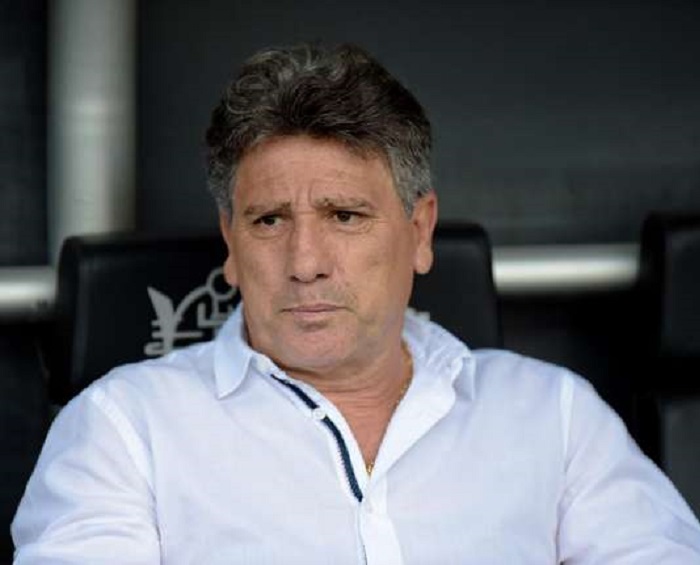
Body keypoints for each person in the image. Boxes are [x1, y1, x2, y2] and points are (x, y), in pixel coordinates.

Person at [11, 43, 700, 564]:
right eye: (269, 220)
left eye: (345, 216)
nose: (305, 263)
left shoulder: (553, 415)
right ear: (231, 242)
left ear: (420, 232)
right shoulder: (125, 429)